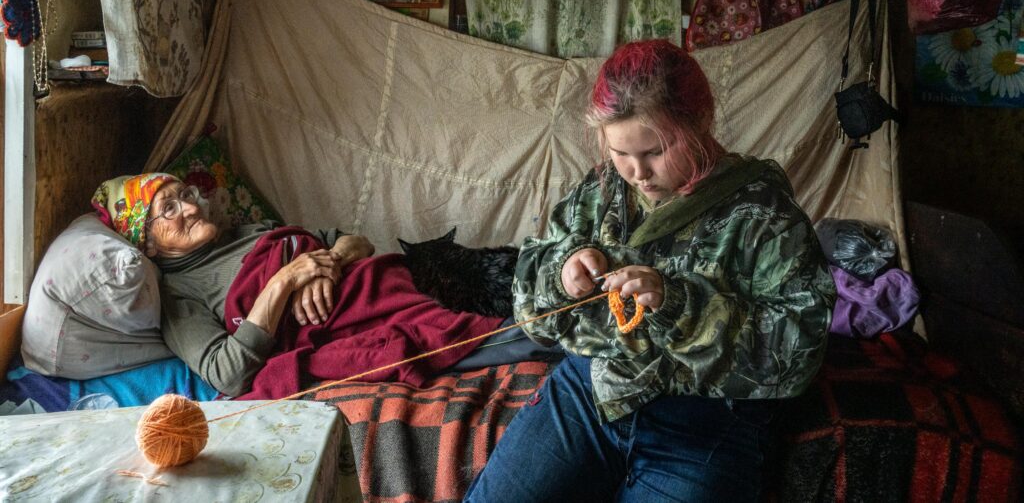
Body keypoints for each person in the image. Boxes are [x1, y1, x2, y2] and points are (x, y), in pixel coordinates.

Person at [463, 39, 836, 502]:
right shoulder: (598, 194)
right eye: (621, 153)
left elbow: (800, 353)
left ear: (699, 124)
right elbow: (529, 307)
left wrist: (677, 305)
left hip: (707, 416)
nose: (637, 171)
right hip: (591, 390)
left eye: (655, 150)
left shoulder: (764, 215)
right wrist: (562, 276)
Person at [90, 173, 503, 399]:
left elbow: (357, 241)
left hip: (381, 283)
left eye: (186, 194)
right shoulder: (180, 297)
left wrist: (328, 267)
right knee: (463, 330)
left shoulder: (248, 232)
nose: (193, 207)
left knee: (471, 278)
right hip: (346, 324)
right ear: (148, 243)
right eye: (170, 208)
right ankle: (520, 332)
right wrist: (286, 280)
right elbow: (228, 374)